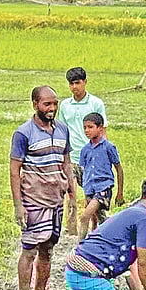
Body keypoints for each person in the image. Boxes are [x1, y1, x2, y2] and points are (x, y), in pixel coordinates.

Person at [10, 86, 75, 290]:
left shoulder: (63, 130)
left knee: (48, 250)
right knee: (29, 250)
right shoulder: (23, 133)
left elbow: (66, 163)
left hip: (56, 200)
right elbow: (14, 170)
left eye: (55, 104)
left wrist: (72, 196)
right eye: (47, 104)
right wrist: (18, 206)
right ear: (35, 104)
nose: (52, 108)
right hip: (33, 200)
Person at [56, 67, 107, 230]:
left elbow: (102, 130)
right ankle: (71, 228)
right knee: (70, 194)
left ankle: (96, 227)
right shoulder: (65, 106)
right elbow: (62, 130)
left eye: (77, 83)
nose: (74, 87)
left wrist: (102, 155)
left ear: (85, 82)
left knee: (92, 195)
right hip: (71, 157)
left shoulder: (96, 103)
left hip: (91, 158)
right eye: (71, 84)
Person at [77, 112, 124, 236]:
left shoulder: (108, 147)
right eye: (85, 128)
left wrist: (120, 193)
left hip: (103, 188)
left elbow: (119, 168)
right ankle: (106, 237)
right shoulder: (85, 150)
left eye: (90, 127)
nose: (87, 130)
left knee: (84, 217)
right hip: (89, 188)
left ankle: (80, 246)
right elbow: (84, 170)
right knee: (96, 219)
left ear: (100, 128)